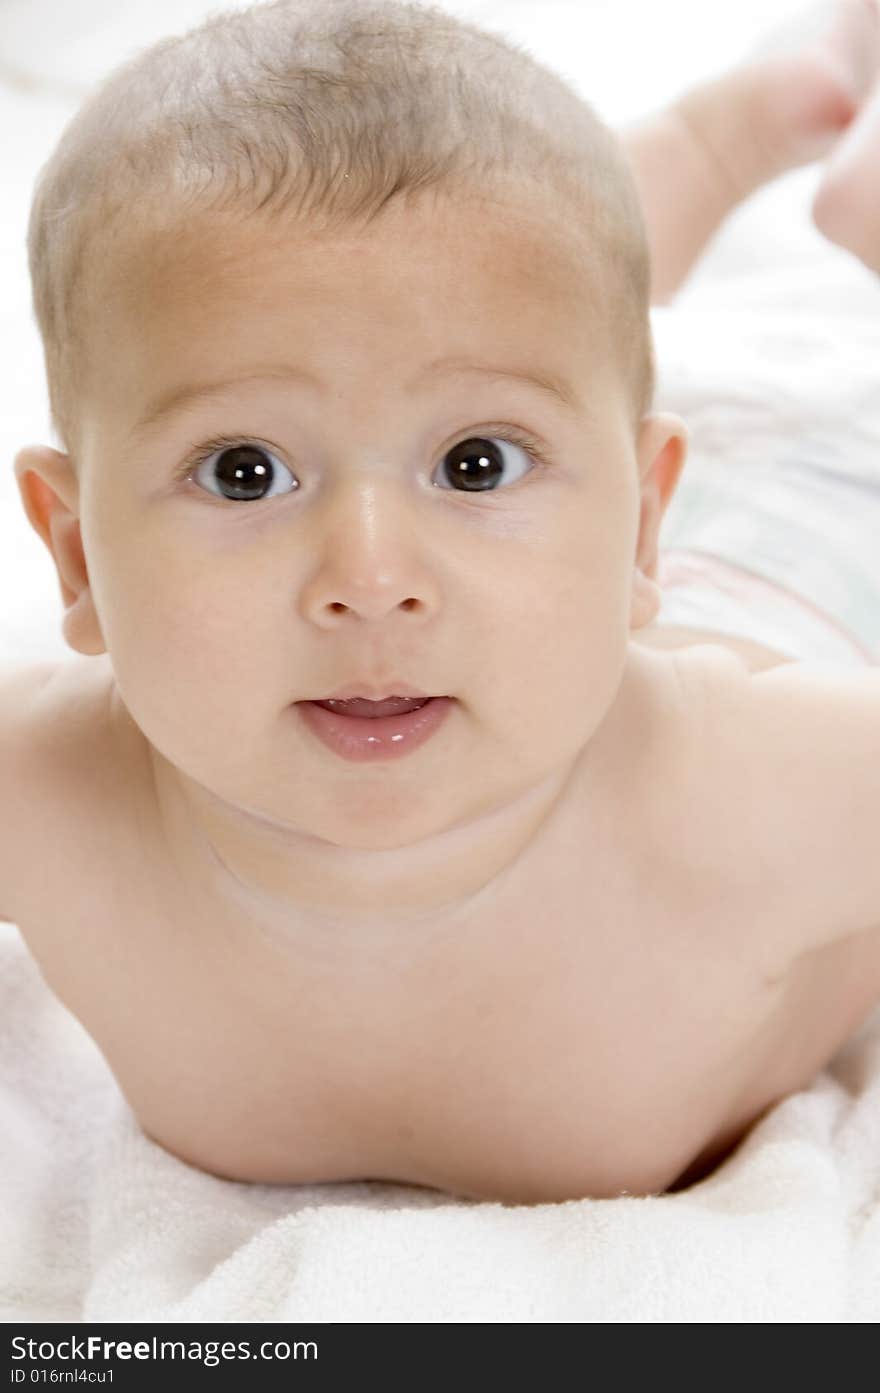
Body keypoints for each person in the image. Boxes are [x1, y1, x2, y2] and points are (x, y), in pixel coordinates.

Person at [4, 0, 880, 1204]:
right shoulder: (44, 794)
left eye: (472, 465)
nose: (370, 582)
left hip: (830, 512)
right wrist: (494, 461)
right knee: (503, 311)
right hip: (573, 462)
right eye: (242, 472)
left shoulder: (747, 789)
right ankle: (710, 144)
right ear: (77, 556)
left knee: (537, 310)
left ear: (637, 528)